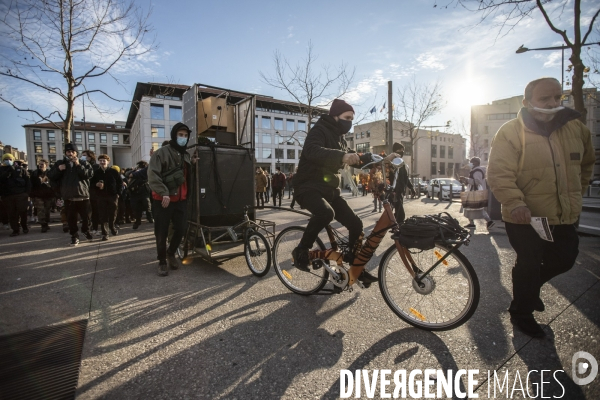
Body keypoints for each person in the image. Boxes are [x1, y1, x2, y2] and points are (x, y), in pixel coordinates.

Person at [487, 77, 595, 338]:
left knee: (565, 258)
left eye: (558, 97)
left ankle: (529, 290)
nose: (553, 103)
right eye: (544, 98)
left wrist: (575, 195)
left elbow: (586, 165)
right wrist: (515, 203)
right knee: (529, 262)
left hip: (562, 214)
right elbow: (499, 173)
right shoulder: (511, 131)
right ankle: (521, 313)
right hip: (525, 216)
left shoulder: (577, 129)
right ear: (527, 103)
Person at [291, 98, 397, 286]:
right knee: (325, 213)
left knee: (356, 224)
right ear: (335, 116)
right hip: (307, 187)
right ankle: (301, 250)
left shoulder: (339, 138)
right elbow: (312, 151)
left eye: (351, 118)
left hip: (329, 189)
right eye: (347, 117)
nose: (349, 122)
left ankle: (354, 262)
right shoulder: (319, 130)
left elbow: (356, 158)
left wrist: (383, 160)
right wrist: (342, 156)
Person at [148, 122, 198, 276]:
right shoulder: (161, 152)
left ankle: (171, 253)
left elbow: (185, 176)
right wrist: (164, 193)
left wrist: (193, 165)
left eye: (185, 135)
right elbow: (152, 175)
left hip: (181, 200)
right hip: (163, 200)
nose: (183, 138)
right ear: (174, 135)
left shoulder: (186, 155)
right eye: (180, 135)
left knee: (181, 229)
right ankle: (162, 261)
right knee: (161, 232)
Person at [48, 143, 94, 246]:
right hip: (69, 197)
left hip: (83, 196)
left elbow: (89, 174)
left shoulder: (83, 163)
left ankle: (85, 231)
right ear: (65, 153)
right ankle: (74, 236)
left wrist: (78, 165)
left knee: (86, 218)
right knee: (71, 219)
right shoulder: (60, 163)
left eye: (73, 152)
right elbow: (50, 176)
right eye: (68, 152)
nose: (71, 154)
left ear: (76, 153)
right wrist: (59, 169)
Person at [89, 154, 122, 241]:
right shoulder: (96, 173)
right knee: (103, 215)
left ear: (108, 162)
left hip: (113, 196)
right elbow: (90, 184)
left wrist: (118, 193)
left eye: (104, 160)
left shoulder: (114, 172)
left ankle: (112, 226)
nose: (102, 162)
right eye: (100, 161)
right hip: (100, 196)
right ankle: (105, 233)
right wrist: (96, 185)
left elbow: (120, 183)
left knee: (113, 213)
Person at [0, 154, 31, 236]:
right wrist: (7, 172)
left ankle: (24, 226)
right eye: (6, 159)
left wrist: (27, 193)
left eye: (10, 159)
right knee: (11, 213)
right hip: (7, 196)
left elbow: (27, 181)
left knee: (23, 211)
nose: (8, 160)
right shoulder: (1, 170)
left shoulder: (20, 169)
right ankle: (15, 229)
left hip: (21, 194)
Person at [461, 156, 494, 230]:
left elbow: (477, 181)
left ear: (476, 163)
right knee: (470, 207)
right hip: (475, 191)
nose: (470, 163)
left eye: (471, 162)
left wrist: (466, 179)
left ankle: (489, 221)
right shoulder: (476, 170)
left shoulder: (477, 171)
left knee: (477, 208)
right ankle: (472, 223)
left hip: (475, 192)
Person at [390, 143, 415, 223]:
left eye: (403, 150)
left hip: (400, 190)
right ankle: (399, 226)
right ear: (395, 151)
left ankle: (394, 225)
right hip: (394, 191)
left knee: (397, 210)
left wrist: (411, 187)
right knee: (400, 212)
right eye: (400, 150)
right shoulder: (392, 161)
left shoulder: (401, 162)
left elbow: (405, 177)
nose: (402, 152)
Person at [30, 159, 55, 232]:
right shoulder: (35, 173)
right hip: (38, 195)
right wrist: (31, 194)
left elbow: (53, 183)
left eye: (42, 164)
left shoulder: (50, 173)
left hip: (48, 195)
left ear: (46, 165)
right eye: (39, 164)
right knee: (40, 210)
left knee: (47, 210)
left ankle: (46, 222)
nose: (40, 165)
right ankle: (43, 224)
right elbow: (31, 184)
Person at [127, 160, 153, 229]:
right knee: (136, 208)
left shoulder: (145, 171)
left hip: (144, 190)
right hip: (135, 191)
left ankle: (149, 217)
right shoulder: (134, 171)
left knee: (147, 204)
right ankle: (138, 221)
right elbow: (128, 174)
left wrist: (136, 173)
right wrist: (135, 171)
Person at [82, 150, 100, 235]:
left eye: (86, 156)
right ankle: (88, 227)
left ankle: (94, 227)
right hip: (83, 192)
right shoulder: (81, 165)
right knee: (86, 212)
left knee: (94, 211)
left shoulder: (95, 167)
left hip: (93, 192)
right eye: (82, 156)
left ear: (90, 157)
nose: (84, 158)